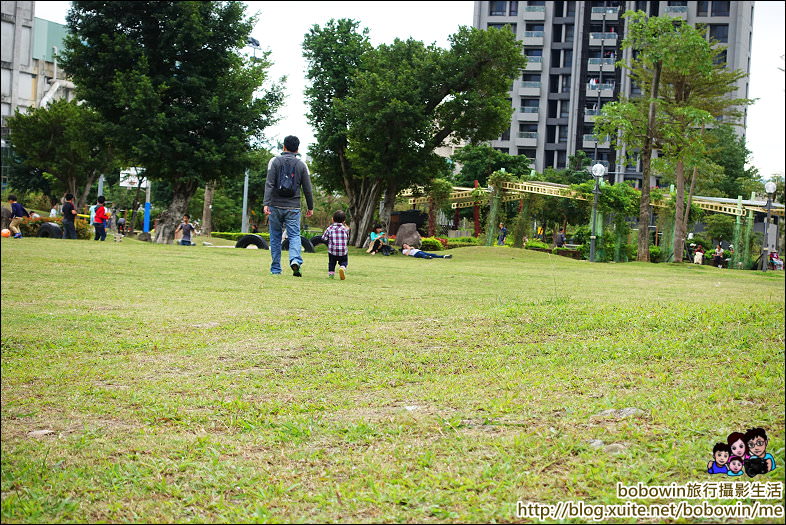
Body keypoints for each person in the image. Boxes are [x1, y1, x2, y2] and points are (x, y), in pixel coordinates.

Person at [263, 135, 314, 277]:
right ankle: (295, 260)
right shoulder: (302, 165)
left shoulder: (274, 161)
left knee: (275, 237)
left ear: (283, 147)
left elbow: (269, 184)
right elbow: (307, 188)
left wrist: (266, 203)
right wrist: (310, 207)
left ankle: (276, 269)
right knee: (294, 236)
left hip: (275, 205)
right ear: (297, 149)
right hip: (293, 207)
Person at [321, 210, 349, 279]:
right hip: (343, 251)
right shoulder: (345, 229)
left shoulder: (329, 228)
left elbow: (323, 238)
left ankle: (331, 275)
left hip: (332, 251)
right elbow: (347, 238)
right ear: (344, 221)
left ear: (333, 219)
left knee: (331, 263)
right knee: (344, 261)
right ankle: (342, 267)